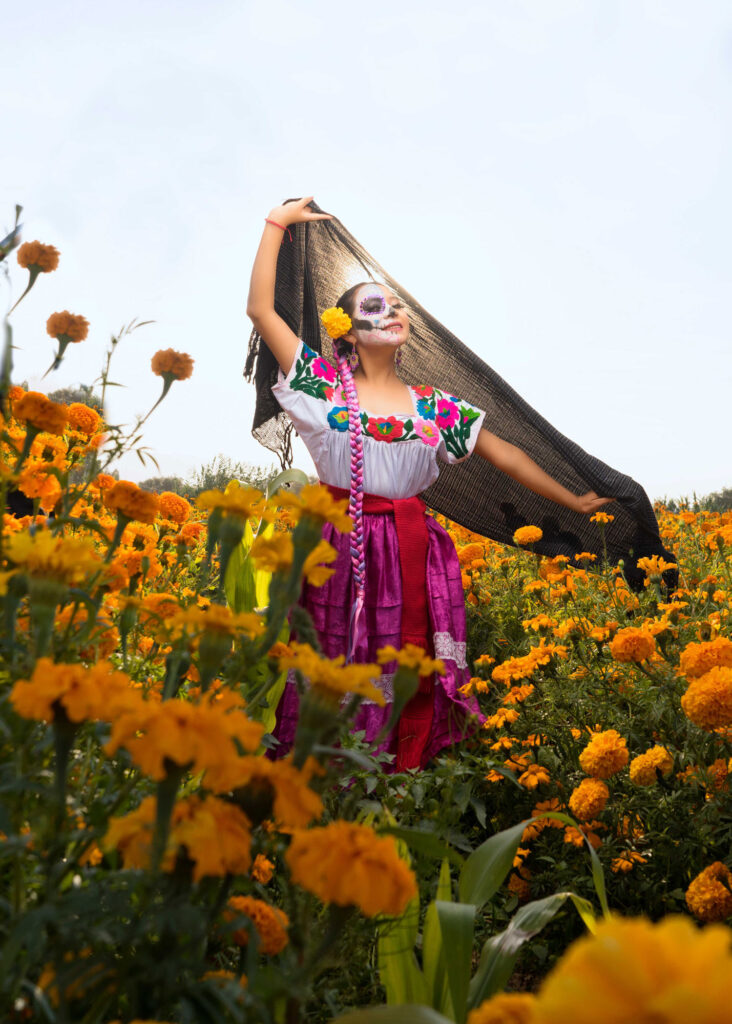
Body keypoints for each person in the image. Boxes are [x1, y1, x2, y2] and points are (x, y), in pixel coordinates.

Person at [246, 197, 617, 771]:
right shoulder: (318, 383)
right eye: (375, 304)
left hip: (412, 550)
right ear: (345, 328)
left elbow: (508, 457)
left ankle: (402, 780)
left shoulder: (436, 408)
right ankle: (323, 784)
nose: (392, 310)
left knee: (408, 668)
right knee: (327, 662)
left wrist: (573, 499)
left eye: (396, 304)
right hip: (333, 544)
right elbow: (261, 311)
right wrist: (276, 224)